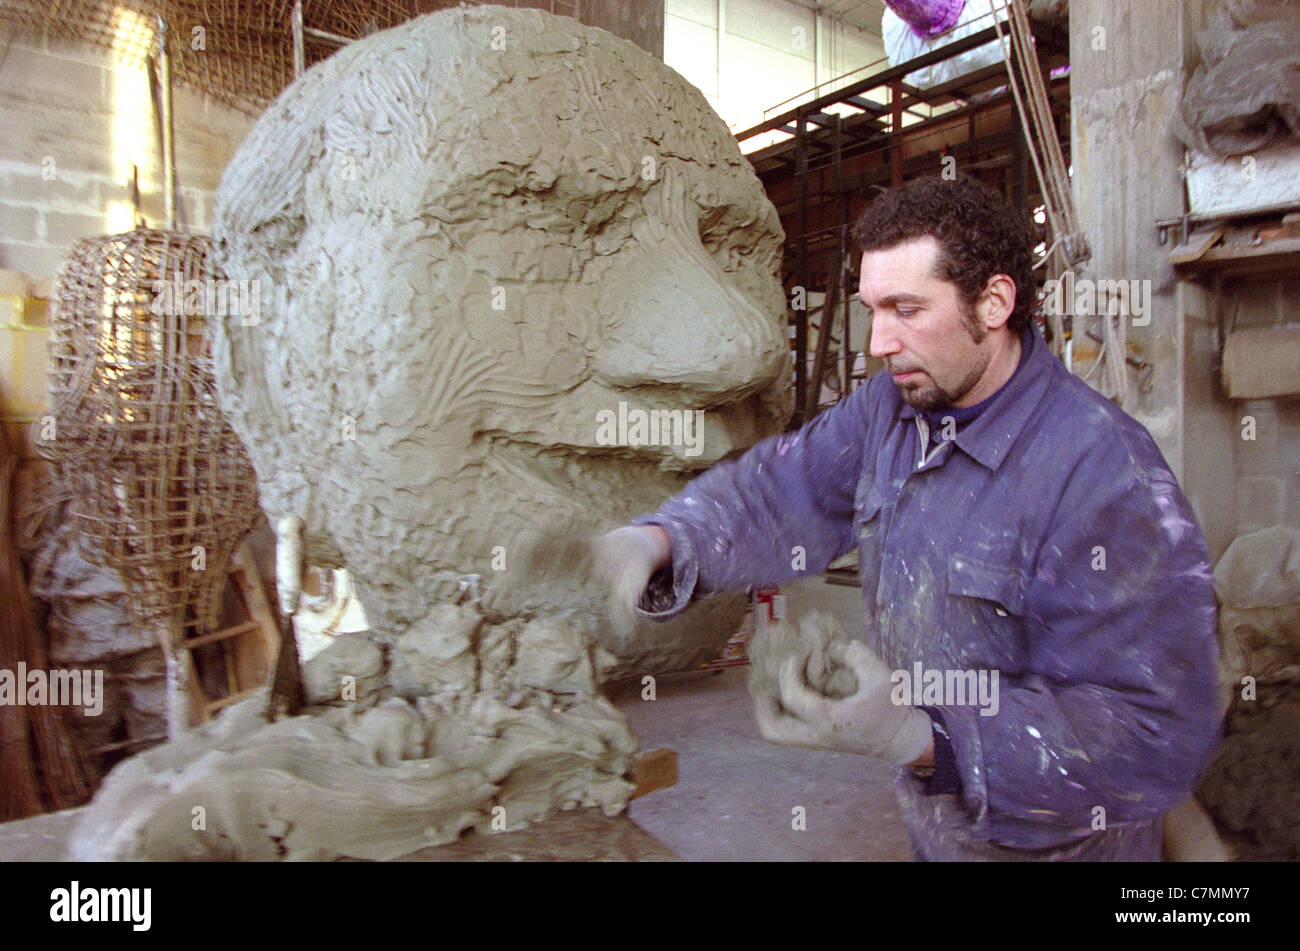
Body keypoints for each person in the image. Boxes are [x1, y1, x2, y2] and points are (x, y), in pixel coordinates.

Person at [596, 174, 1222, 861]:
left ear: (993, 302)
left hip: (1058, 843)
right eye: (872, 309)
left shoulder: (1102, 473)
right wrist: (661, 538)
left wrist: (923, 736)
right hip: (938, 829)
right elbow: (784, 489)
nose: (878, 343)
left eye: (905, 309)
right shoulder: (891, 411)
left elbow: (1151, 732)